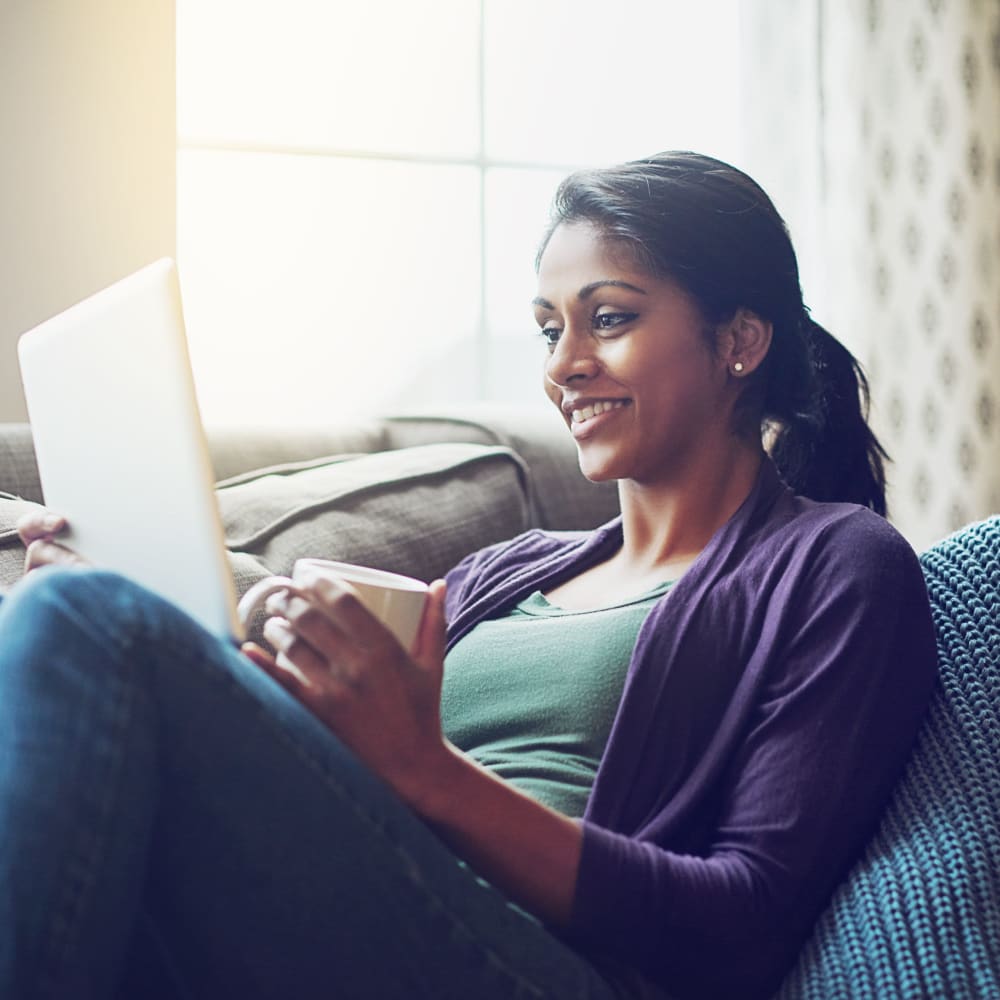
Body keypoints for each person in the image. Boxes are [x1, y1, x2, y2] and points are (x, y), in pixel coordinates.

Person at [0, 151, 937, 1000]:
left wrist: (426, 772)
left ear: (739, 340)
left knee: (86, 620)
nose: (566, 366)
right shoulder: (501, 572)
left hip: (543, 965)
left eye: (609, 320)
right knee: (76, 605)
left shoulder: (835, 564)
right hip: (357, 891)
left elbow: (742, 921)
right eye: (547, 330)